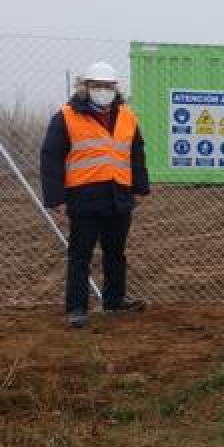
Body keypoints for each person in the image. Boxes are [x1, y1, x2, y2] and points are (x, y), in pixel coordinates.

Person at [40, 62, 149, 329]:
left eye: (108, 86)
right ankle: (76, 308)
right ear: (85, 87)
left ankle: (114, 300)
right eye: (97, 86)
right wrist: (56, 198)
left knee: (116, 252)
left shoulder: (127, 116)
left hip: (118, 195)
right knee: (81, 255)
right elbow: (51, 157)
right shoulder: (66, 116)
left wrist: (140, 187)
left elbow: (136, 154)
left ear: (115, 89)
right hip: (84, 197)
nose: (103, 91)